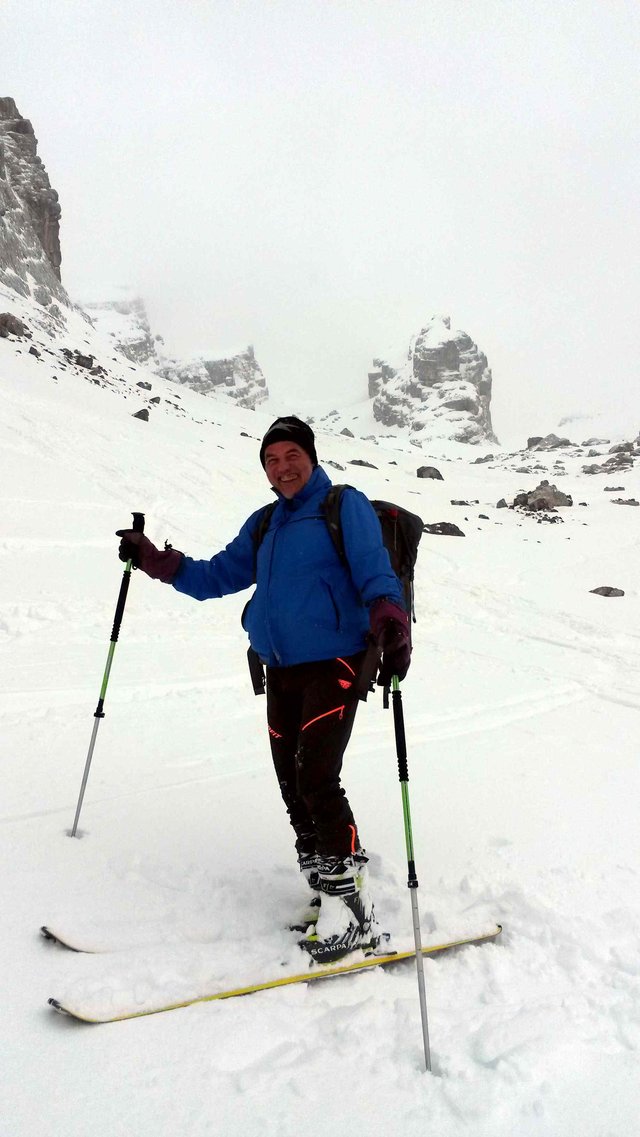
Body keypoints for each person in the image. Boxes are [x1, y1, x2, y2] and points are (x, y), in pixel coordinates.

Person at [116, 416, 411, 963]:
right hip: (280, 665)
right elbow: (215, 577)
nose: (282, 466)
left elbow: (374, 571)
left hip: (337, 661)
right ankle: (324, 887)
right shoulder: (266, 523)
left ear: (311, 457)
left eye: (291, 454)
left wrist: (391, 614)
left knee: (317, 775)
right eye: (271, 460)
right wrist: (155, 559)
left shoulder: (343, 505)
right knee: (291, 779)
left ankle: (352, 907)